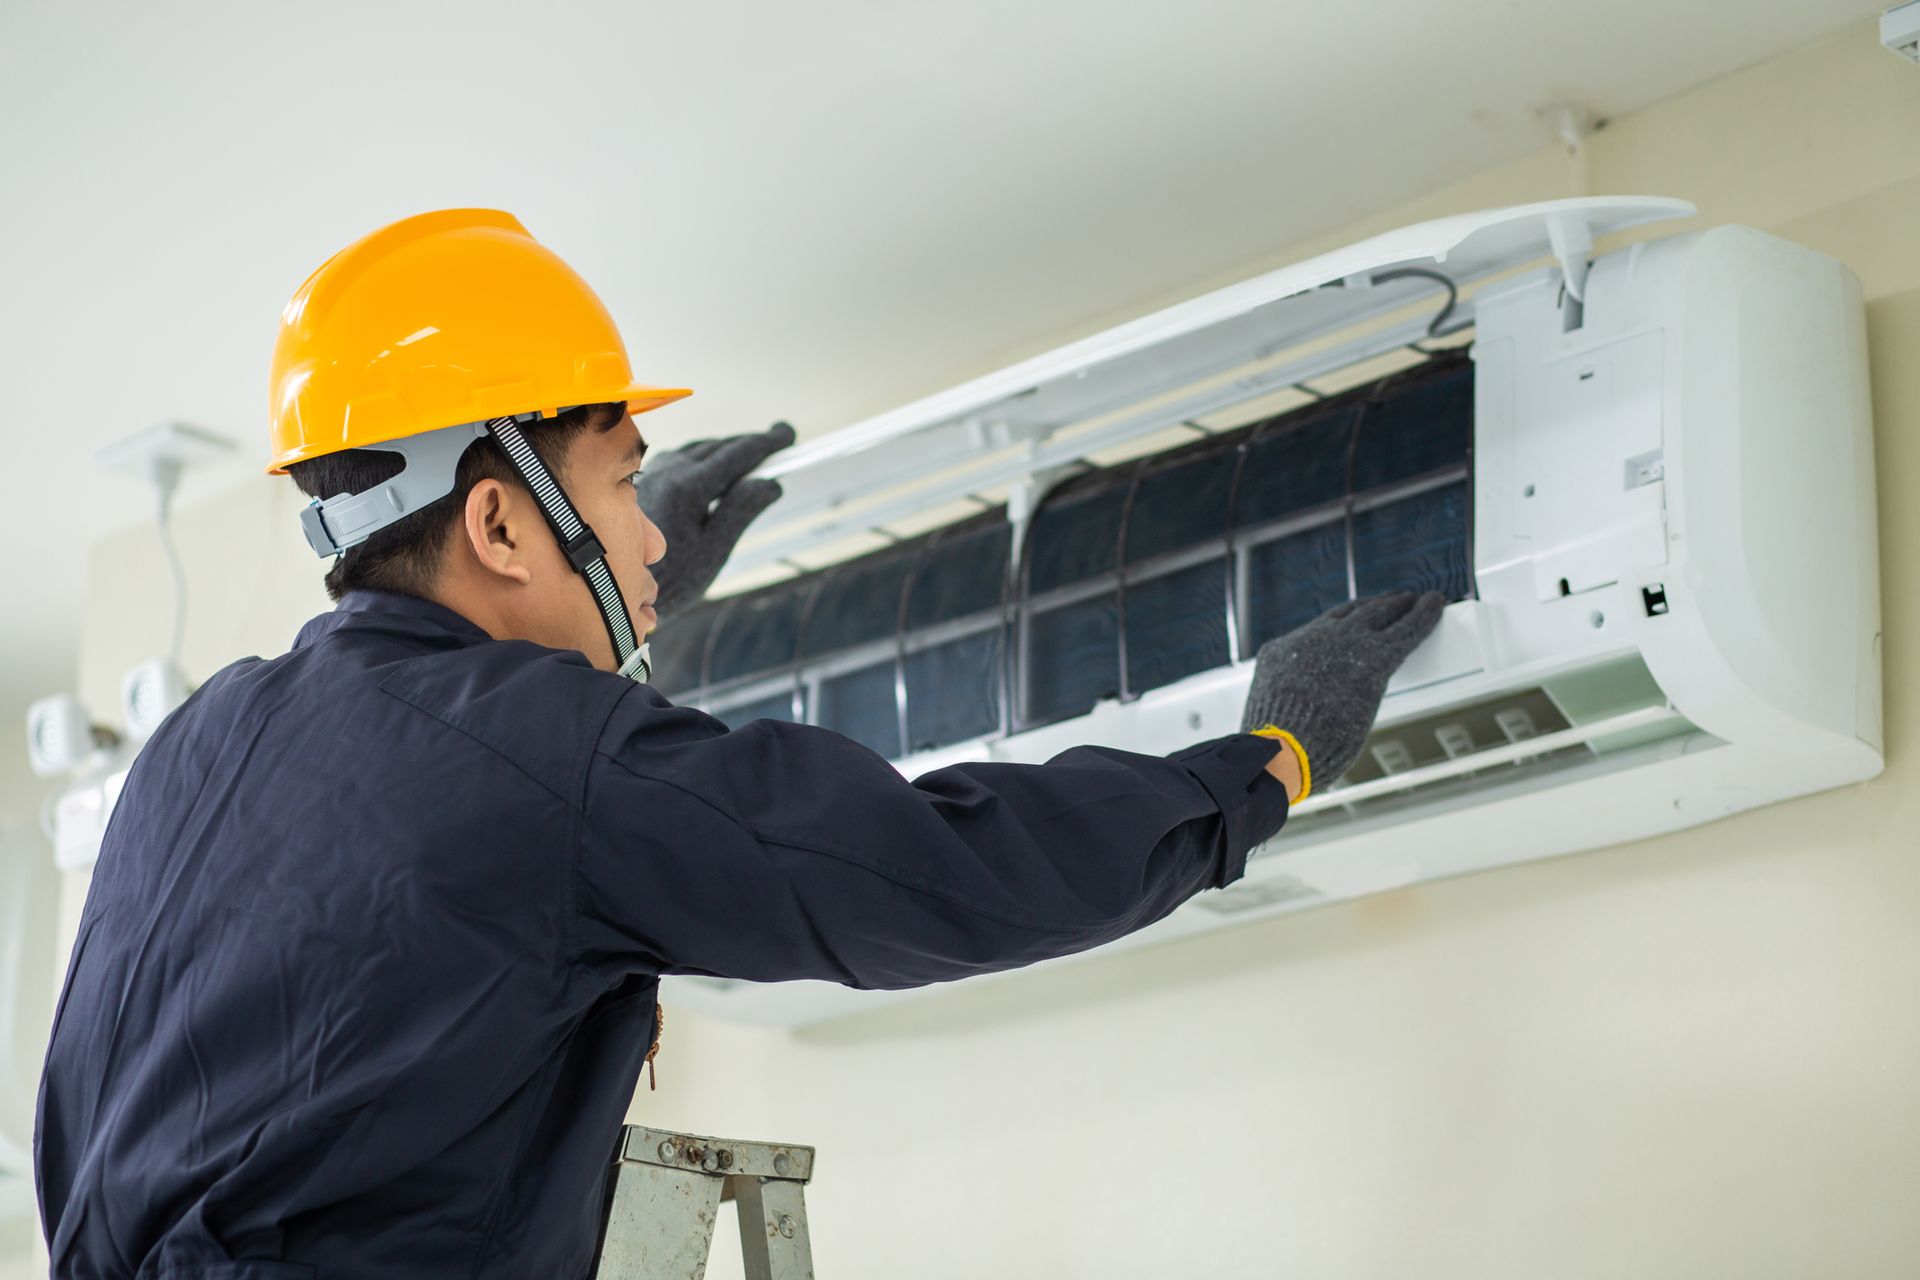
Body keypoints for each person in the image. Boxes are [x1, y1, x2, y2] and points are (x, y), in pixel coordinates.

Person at [35, 209, 1442, 1279]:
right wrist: (1258, 770)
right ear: (501, 524)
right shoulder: (545, 763)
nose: (646, 532)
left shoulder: (193, 748)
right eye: (623, 485)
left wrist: (623, 599)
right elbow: (937, 869)